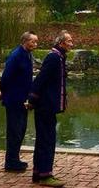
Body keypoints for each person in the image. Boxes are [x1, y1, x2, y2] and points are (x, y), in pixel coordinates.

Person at [28, 30, 74, 187]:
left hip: (48, 106)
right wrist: (32, 100)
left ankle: (38, 173)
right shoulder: (54, 57)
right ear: (61, 43)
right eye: (69, 41)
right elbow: (41, 79)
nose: (71, 44)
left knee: (44, 139)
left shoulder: (59, 57)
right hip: (45, 106)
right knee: (47, 140)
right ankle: (45, 175)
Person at [0, 31, 38, 172]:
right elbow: (5, 78)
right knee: (14, 130)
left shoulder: (27, 55)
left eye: (36, 42)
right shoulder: (16, 56)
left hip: (22, 99)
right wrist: (4, 93)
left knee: (21, 129)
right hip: (14, 99)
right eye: (33, 41)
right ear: (25, 41)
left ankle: (14, 159)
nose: (35, 44)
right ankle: (11, 162)